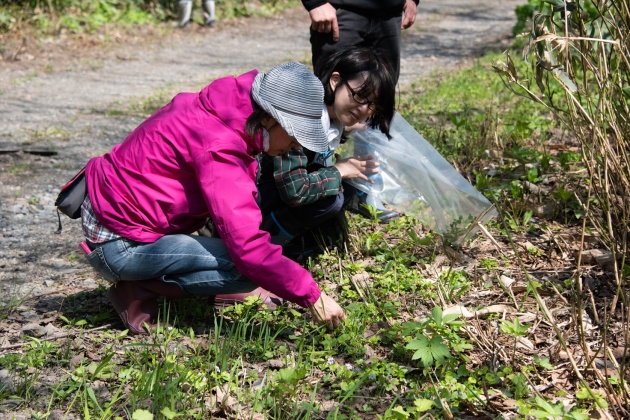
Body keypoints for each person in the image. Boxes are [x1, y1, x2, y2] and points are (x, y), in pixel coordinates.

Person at [79, 62, 345, 335]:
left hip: (116, 217)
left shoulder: (229, 108)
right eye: (296, 133)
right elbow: (249, 251)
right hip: (119, 244)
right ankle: (139, 286)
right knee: (246, 271)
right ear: (268, 118)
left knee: (248, 258)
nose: (297, 145)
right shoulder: (220, 146)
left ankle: (198, 286)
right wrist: (312, 295)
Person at [257, 47, 396, 253]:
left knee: (347, 188)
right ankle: (266, 244)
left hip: (275, 191)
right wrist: (339, 170)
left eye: (372, 106)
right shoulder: (303, 119)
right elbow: (295, 191)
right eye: (359, 96)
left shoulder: (332, 121)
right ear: (335, 80)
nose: (363, 109)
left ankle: (310, 241)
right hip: (256, 194)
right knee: (330, 199)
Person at [302, 0, 419, 221]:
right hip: (341, 10)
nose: (365, 108)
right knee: (334, 100)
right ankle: (317, 175)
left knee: (374, 99)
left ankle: (367, 191)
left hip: (390, 12)